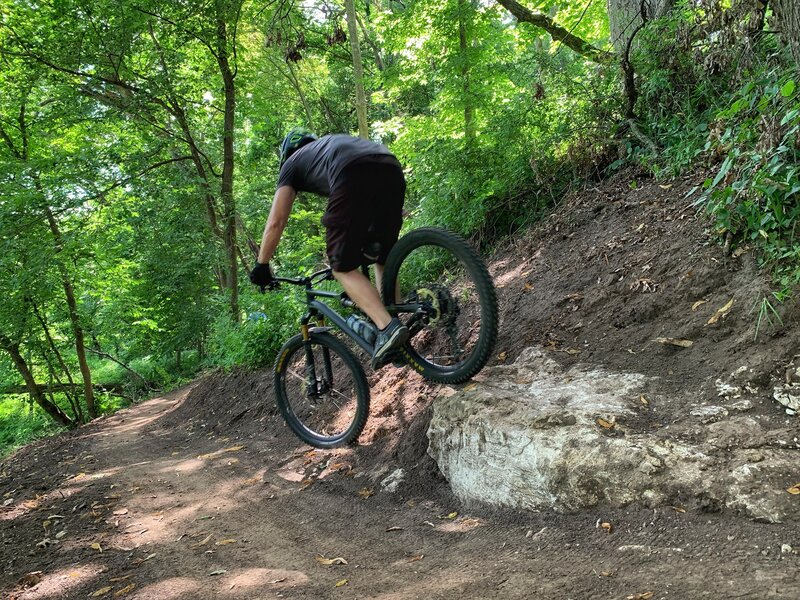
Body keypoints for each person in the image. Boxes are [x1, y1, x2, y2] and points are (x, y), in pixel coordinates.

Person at [249, 128, 409, 369]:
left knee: (341, 266)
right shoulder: (327, 147)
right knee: (381, 256)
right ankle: (397, 322)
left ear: (287, 153)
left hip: (352, 171)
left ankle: (388, 328)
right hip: (390, 165)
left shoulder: (291, 165)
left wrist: (262, 264)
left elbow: (276, 221)